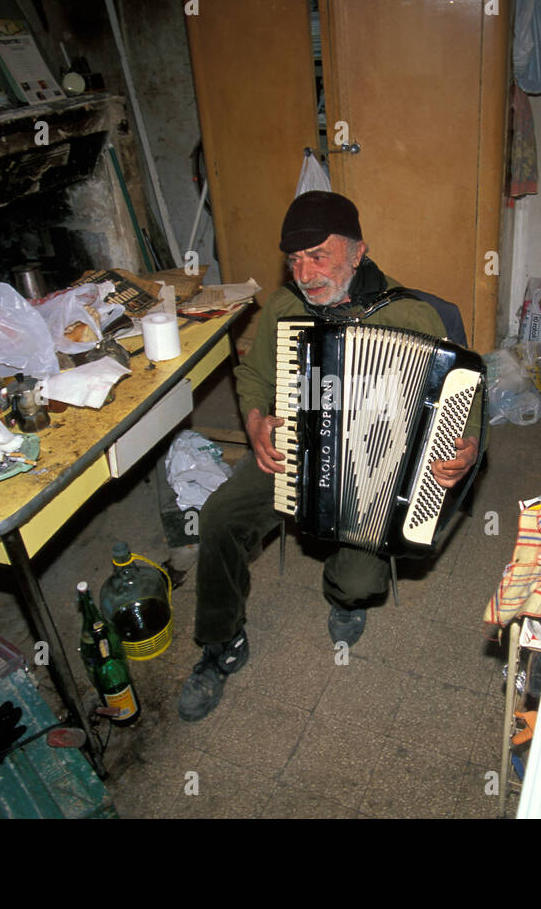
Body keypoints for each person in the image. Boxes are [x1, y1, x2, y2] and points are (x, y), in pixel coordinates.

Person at [178, 191, 482, 722]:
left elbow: (461, 396)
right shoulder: (285, 308)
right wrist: (254, 422)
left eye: (319, 255)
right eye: (295, 261)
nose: (306, 272)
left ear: (358, 250)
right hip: (297, 451)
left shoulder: (411, 314)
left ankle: (342, 596)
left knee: (359, 583)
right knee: (220, 516)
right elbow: (253, 376)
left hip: (374, 472)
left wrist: (468, 444)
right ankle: (219, 642)